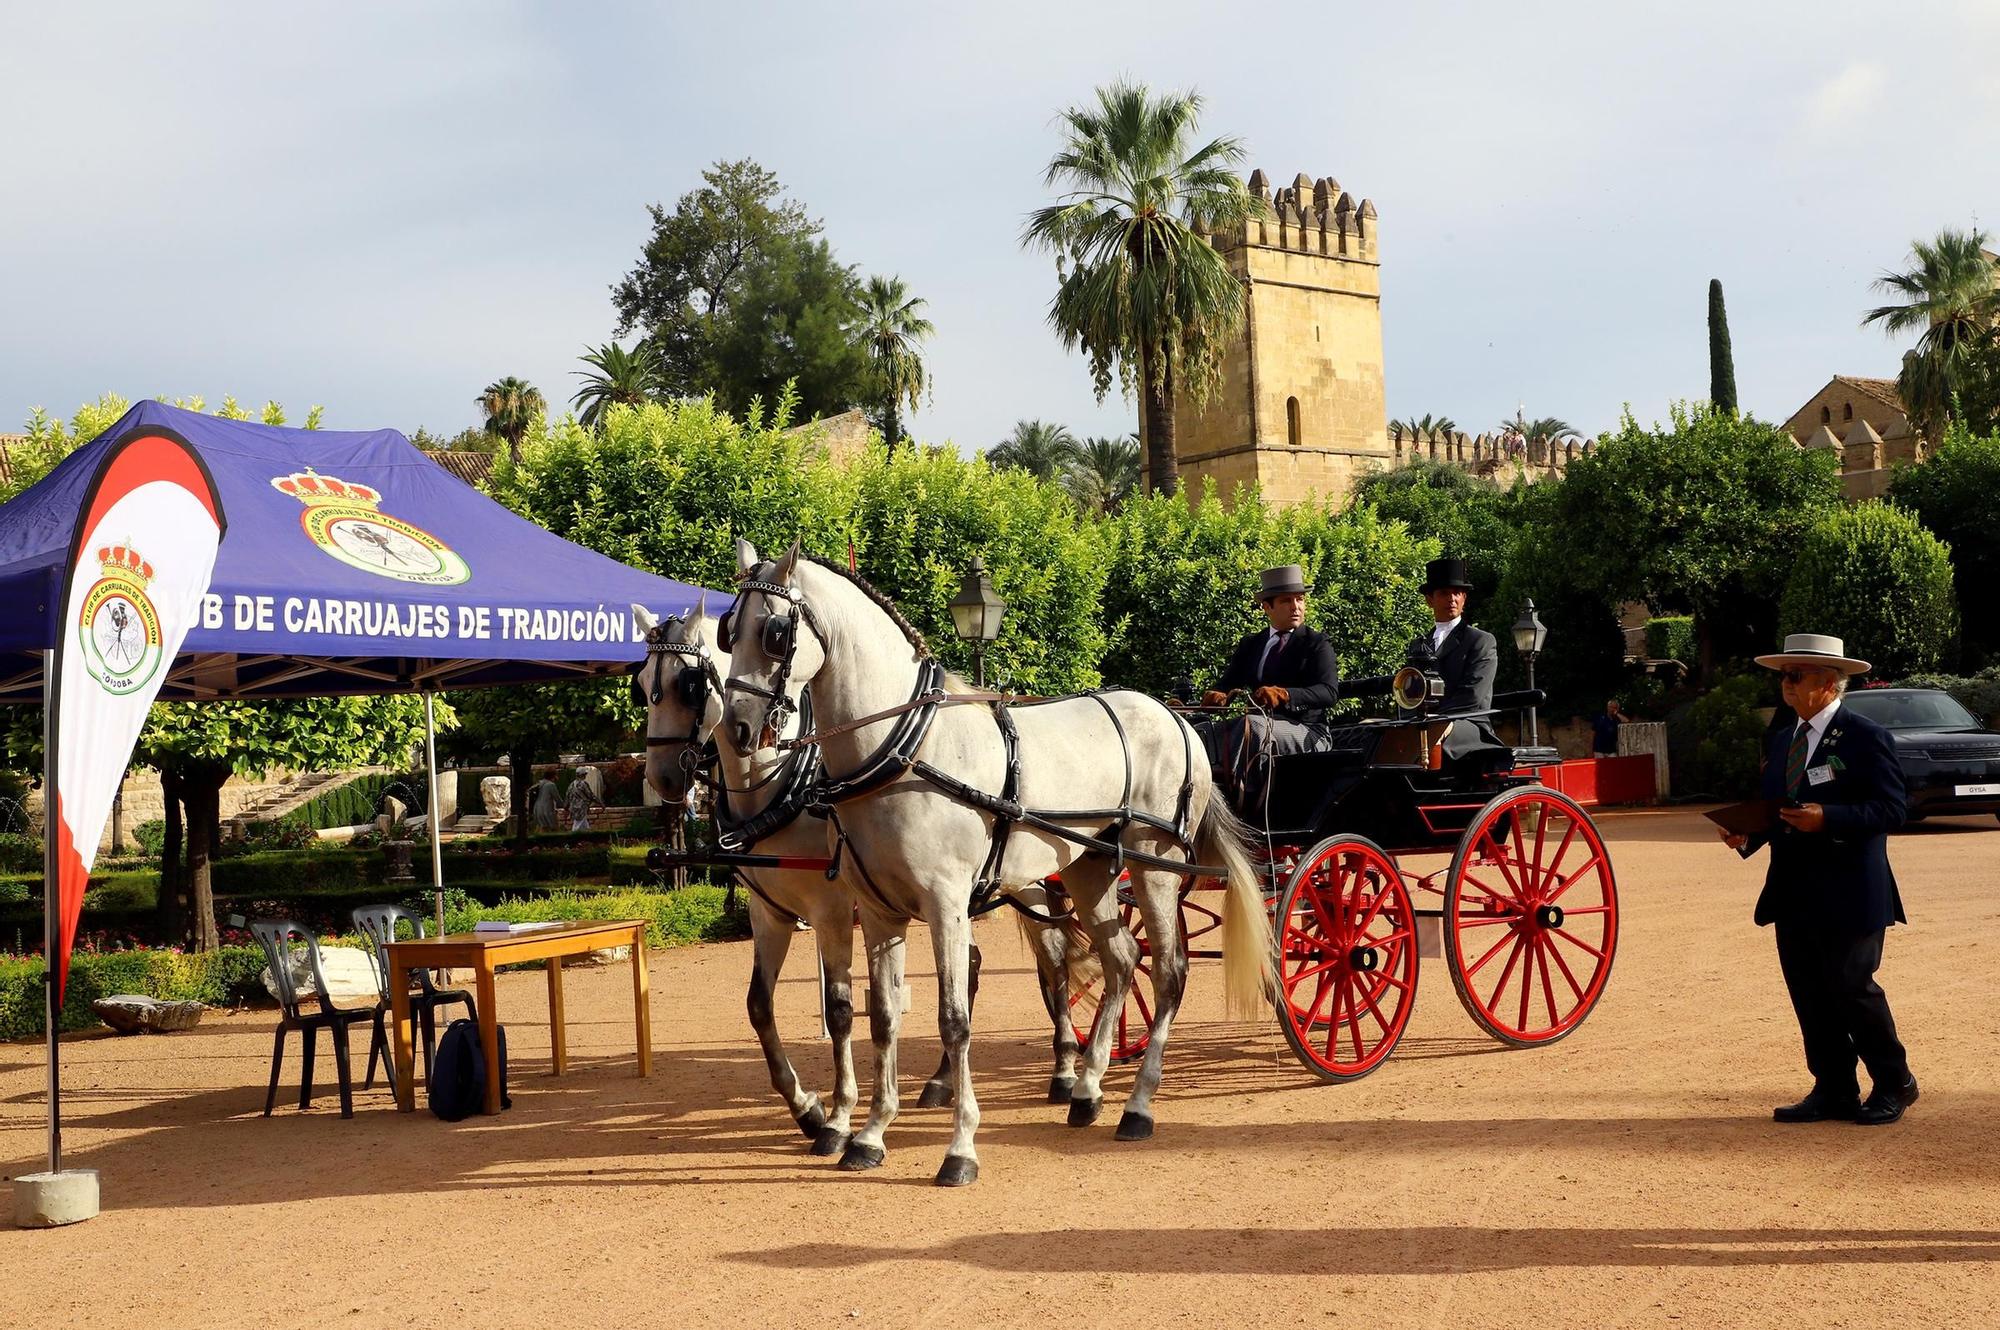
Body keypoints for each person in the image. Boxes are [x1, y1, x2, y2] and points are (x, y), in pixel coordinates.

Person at [1716, 633, 1917, 1127]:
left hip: (1851, 888)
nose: (1785, 685)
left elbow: (1894, 809)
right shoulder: (1782, 737)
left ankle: (1895, 1083)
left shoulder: (1866, 736)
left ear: (1829, 683)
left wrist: (1829, 818)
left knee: (1852, 986)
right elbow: (1777, 810)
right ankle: (1834, 1088)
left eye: (1795, 675)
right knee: (1808, 991)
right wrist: (1745, 835)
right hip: (1794, 888)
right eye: (1783, 675)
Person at [1198, 564, 1342, 815]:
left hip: (1309, 731)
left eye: (1300, 599)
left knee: (1252, 727)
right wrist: (1217, 694)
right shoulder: (1252, 644)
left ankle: (1243, 805)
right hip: (1262, 726)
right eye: (1286, 601)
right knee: (1208, 730)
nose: (1296, 607)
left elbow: (1328, 692)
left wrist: (1286, 694)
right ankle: (1205, 792)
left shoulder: (1316, 643)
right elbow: (1228, 683)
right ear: (1267, 606)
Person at [1403, 557, 1504, 772]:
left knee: (1428, 734)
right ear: (1429, 600)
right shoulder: (1417, 646)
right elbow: (1410, 693)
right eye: (1444, 593)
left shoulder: (1481, 640)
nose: (1452, 599)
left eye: (1457, 593)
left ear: (1464, 598)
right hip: (1426, 725)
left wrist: (1432, 719)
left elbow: (1472, 696)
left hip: (1469, 724)